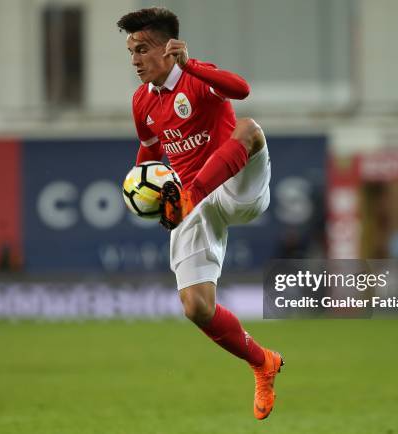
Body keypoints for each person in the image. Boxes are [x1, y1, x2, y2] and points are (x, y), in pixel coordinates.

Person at [117, 7, 284, 420]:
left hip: (234, 186)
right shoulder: (141, 102)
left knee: (248, 128)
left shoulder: (196, 74)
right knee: (196, 307)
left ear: (168, 48)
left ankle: (189, 196)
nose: (135, 60)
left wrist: (191, 64)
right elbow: (152, 152)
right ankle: (262, 361)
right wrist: (142, 186)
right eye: (130, 52)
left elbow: (241, 89)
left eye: (141, 49)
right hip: (190, 203)